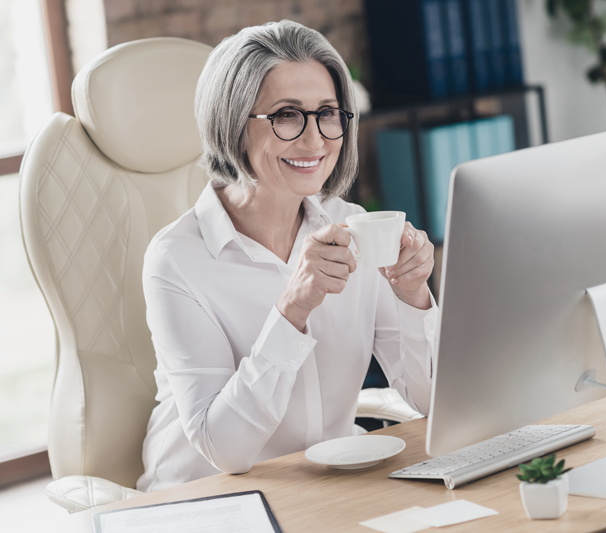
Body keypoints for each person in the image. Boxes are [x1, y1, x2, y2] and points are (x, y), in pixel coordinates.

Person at [136, 20, 437, 492]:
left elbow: (429, 399)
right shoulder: (176, 260)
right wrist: (292, 310)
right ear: (233, 124)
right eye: (286, 115)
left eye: (328, 113)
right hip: (208, 500)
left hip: (329, 486)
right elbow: (225, 450)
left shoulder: (354, 226)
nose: (315, 141)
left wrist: (413, 297)